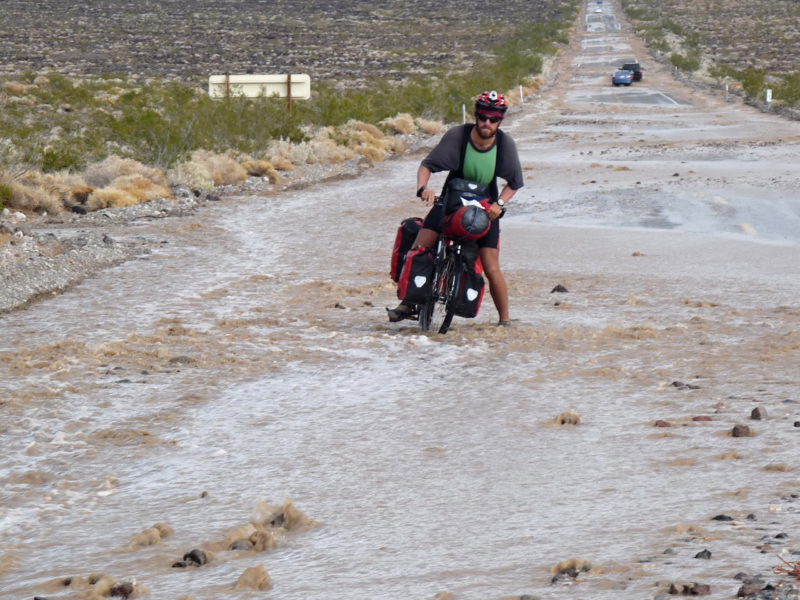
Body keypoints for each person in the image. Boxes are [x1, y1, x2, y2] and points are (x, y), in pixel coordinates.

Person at [388, 90, 524, 326]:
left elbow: (515, 183)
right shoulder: (458, 136)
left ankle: (505, 321)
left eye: (493, 119)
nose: (487, 123)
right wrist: (423, 189)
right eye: (483, 117)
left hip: (486, 208)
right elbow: (427, 165)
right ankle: (408, 303)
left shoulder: (504, 144)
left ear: (500, 121)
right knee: (418, 249)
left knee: (491, 267)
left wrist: (499, 204)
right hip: (450, 200)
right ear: (476, 116)